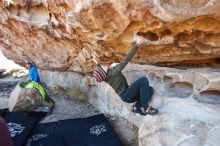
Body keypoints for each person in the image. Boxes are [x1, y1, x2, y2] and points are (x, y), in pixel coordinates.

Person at [92, 35, 158, 115]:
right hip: (127, 94)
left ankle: (136, 107)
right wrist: (137, 44)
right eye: (102, 67)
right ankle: (145, 107)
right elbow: (126, 60)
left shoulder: (106, 77)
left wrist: (96, 62)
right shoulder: (114, 72)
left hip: (127, 95)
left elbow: (99, 71)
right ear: (103, 72)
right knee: (143, 80)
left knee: (150, 90)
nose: (103, 65)